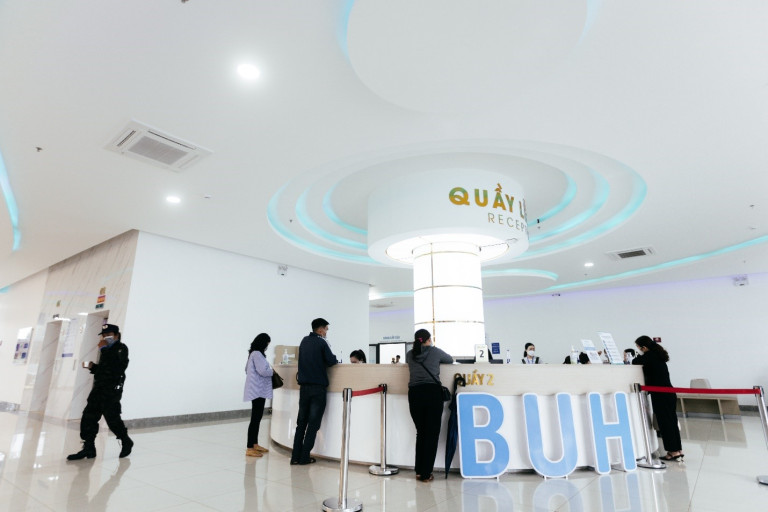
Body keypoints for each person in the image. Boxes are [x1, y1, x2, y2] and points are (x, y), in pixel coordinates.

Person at [67, 324, 133, 460]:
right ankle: (89, 448)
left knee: (112, 419)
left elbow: (117, 369)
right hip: (98, 389)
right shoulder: (106, 350)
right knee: (88, 417)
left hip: (111, 391)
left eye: (108, 335)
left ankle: (126, 440)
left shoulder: (121, 349)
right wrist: (92, 367)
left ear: (116, 335)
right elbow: (104, 370)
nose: (105, 337)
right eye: (104, 335)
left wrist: (103, 349)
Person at [405, 329, 454, 482]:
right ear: (428, 339)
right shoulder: (435, 351)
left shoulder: (409, 354)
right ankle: (426, 474)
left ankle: (419, 471)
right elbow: (450, 359)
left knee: (421, 433)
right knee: (431, 435)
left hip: (414, 394)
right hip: (432, 394)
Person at [291, 318, 337, 465]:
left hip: (304, 388)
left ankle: (295, 457)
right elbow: (331, 361)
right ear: (320, 330)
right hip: (317, 388)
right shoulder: (322, 343)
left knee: (301, 423)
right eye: (326, 329)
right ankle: (305, 457)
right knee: (313, 424)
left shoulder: (304, 341)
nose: (327, 332)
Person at [632, 335, 684, 461]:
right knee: (672, 422)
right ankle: (677, 449)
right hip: (669, 393)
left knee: (665, 423)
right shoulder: (658, 354)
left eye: (639, 348)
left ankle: (672, 452)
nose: (639, 350)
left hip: (661, 395)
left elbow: (635, 362)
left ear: (644, 347)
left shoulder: (649, 356)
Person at [243, 333, 273, 457]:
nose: (267, 347)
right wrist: (272, 371)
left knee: (257, 417)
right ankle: (250, 448)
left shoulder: (253, 354)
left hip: (257, 390)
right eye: (267, 344)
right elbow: (263, 371)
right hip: (257, 390)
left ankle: (254, 444)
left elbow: (246, 369)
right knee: (255, 418)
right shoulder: (257, 354)